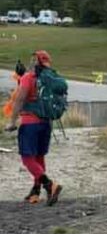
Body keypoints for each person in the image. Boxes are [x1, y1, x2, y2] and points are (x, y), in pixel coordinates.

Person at [4, 50, 63, 205]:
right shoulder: (50, 79)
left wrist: (12, 121)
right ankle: (35, 192)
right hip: (46, 123)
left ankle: (50, 185)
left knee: (27, 158)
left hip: (30, 123)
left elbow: (20, 99)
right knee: (39, 156)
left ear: (36, 61)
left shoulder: (28, 78)